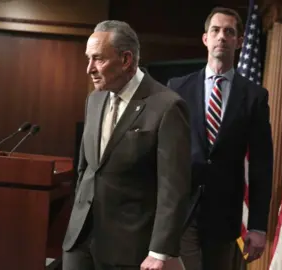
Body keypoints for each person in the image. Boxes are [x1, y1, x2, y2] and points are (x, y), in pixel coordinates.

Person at [62, 20, 191, 270]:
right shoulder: (94, 100)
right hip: (80, 243)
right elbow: (86, 169)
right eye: (88, 59)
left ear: (126, 60)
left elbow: (173, 189)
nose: (89, 68)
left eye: (98, 59)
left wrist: (159, 251)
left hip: (128, 249)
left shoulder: (167, 106)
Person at [166, 7, 273, 270]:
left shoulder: (254, 97)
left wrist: (258, 225)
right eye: (215, 30)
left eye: (229, 32)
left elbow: (261, 165)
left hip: (225, 215)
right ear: (205, 38)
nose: (221, 37)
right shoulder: (177, 88)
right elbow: (164, 154)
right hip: (182, 210)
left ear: (239, 42)